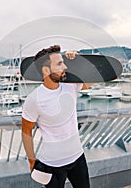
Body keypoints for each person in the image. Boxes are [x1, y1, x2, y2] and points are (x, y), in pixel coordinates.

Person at [22, 45, 92, 188]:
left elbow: (92, 81)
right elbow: (26, 131)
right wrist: (31, 161)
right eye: (59, 63)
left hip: (77, 157)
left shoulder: (70, 86)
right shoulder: (34, 99)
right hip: (51, 164)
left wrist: (77, 62)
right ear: (46, 70)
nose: (65, 67)